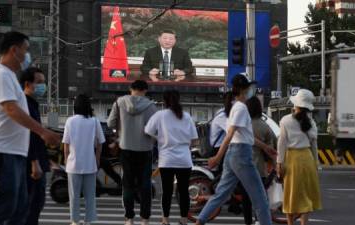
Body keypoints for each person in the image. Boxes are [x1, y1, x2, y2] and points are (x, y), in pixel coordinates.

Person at [0, 31, 61, 225]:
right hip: (0, 151)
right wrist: (43, 132)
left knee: (19, 209)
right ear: (14, 50)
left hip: (14, 152)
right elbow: (11, 109)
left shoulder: (10, 76)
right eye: (26, 50)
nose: (27, 55)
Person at [195, 74, 273, 225]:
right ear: (245, 89)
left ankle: (200, 221)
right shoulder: (241, 108)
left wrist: (266, 147)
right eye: (250, 87)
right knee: (260, 198)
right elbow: (230, 134)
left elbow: (244, 136)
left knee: (221, 195)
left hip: (234, 154)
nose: (253, 90)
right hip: (241, 155)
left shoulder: (236, 108)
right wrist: (217, 157)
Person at [107, 80, 157, 225]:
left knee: (127, 184)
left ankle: (129, 218)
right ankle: (145, 219)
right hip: (145, 149)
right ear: (145, 90)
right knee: (145, 184)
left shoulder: (119, 103)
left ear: (130, 89)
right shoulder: (152, 106)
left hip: (126, 148)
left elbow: (110, 123)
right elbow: (155, 129)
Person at [145, 90, 198, 225]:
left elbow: (147, 131)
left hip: (166, 159)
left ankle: (165, 219)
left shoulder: (160, 115)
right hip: (184, 160)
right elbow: (195, 140)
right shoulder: (186, 116)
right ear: (179, 99)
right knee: (183, 191)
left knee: (167, 191)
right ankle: (184, 219)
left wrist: (159, 139)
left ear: (164, 101)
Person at [276, 89, 322, 225]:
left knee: (290, 194)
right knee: (306, 195)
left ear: (295, 104)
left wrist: (279, 162)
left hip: (292, 160)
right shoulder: (311, 123)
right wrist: (316, 164)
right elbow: (314, 146)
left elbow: (281, 143)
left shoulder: (285, 121)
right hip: (307, 159)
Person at [62, 94, 106, 225]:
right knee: (90, 196)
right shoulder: (94, 121)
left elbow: (66, 143)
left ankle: (75, 221)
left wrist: (65, 159)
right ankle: (88, 221)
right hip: (90, 164)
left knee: (74, 196)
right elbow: (100, 142)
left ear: (76, 106)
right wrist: (97, 158)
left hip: (73, 164)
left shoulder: (70, 121)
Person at [19, 67, 50, 225]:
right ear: (27, 84)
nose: (43, 86)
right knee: (32, 205)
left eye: (44, 82)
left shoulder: (32, 103)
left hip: (37, 161)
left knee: (35, 205)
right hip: (31, 165)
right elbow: (28, 134)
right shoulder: (24, 105)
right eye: (39, 82)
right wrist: (34, 161)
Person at [239, 96, 277, 225]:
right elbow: (271, 149)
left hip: (243, 166)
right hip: (259, 168)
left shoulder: (243, 124)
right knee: (259, 198)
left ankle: (247, 222)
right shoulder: (265, 127)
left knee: (246, 198)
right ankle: (258, 220)